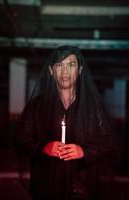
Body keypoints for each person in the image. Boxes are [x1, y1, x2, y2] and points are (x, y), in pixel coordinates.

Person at [14, 46, 121, 200]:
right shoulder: (36, 106)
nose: (64, 71)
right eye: (59, 65)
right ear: (51, 71)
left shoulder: (94, 107)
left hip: (82, 183)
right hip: (48, 183)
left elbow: (111, 142)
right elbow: (20, 137)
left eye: (71, 65)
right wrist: (43, 147)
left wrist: (84, 152)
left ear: (79, 70)